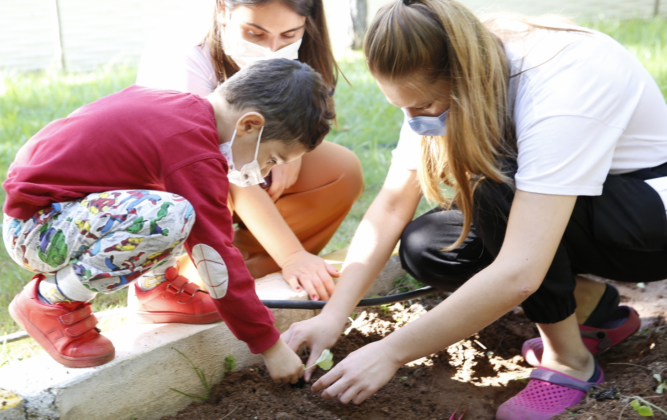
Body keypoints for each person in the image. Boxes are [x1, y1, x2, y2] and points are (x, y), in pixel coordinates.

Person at [281, 1, 667, 418]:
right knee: (427, 244)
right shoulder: (438, 69)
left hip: (648, 222)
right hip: (580, 209)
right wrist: (334, 315)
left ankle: (570, 361)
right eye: (401, 108)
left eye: (424, 107)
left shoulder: (560, 86)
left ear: (463, 81)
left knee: (496, 188)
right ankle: (592, 309)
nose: (414, 121)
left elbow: (520, 271)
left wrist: (391, 352)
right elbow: (392, 204)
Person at [2, 58, 334, 384]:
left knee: (178, 207)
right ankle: (52, 299)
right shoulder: (194, 151)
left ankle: (154, 289)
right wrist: (270, 344)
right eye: (271, 159)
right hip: (39, 230)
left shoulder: (184, 111)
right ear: (249, 125)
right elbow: (215, 256)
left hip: (54, 215)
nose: (264, 172)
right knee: (172, 214)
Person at [136, 0, 364, 302]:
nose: (272, 49)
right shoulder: (183, 53)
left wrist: (284, 151)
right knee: (218, 184)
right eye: (255, 34)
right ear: (222, 10)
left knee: (340, 171)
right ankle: (179, 275)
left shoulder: (307, 43)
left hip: (238, 164)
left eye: (288, 35)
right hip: (181, 179)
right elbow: (216, 169)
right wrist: (292, 254)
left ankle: (242, 269)